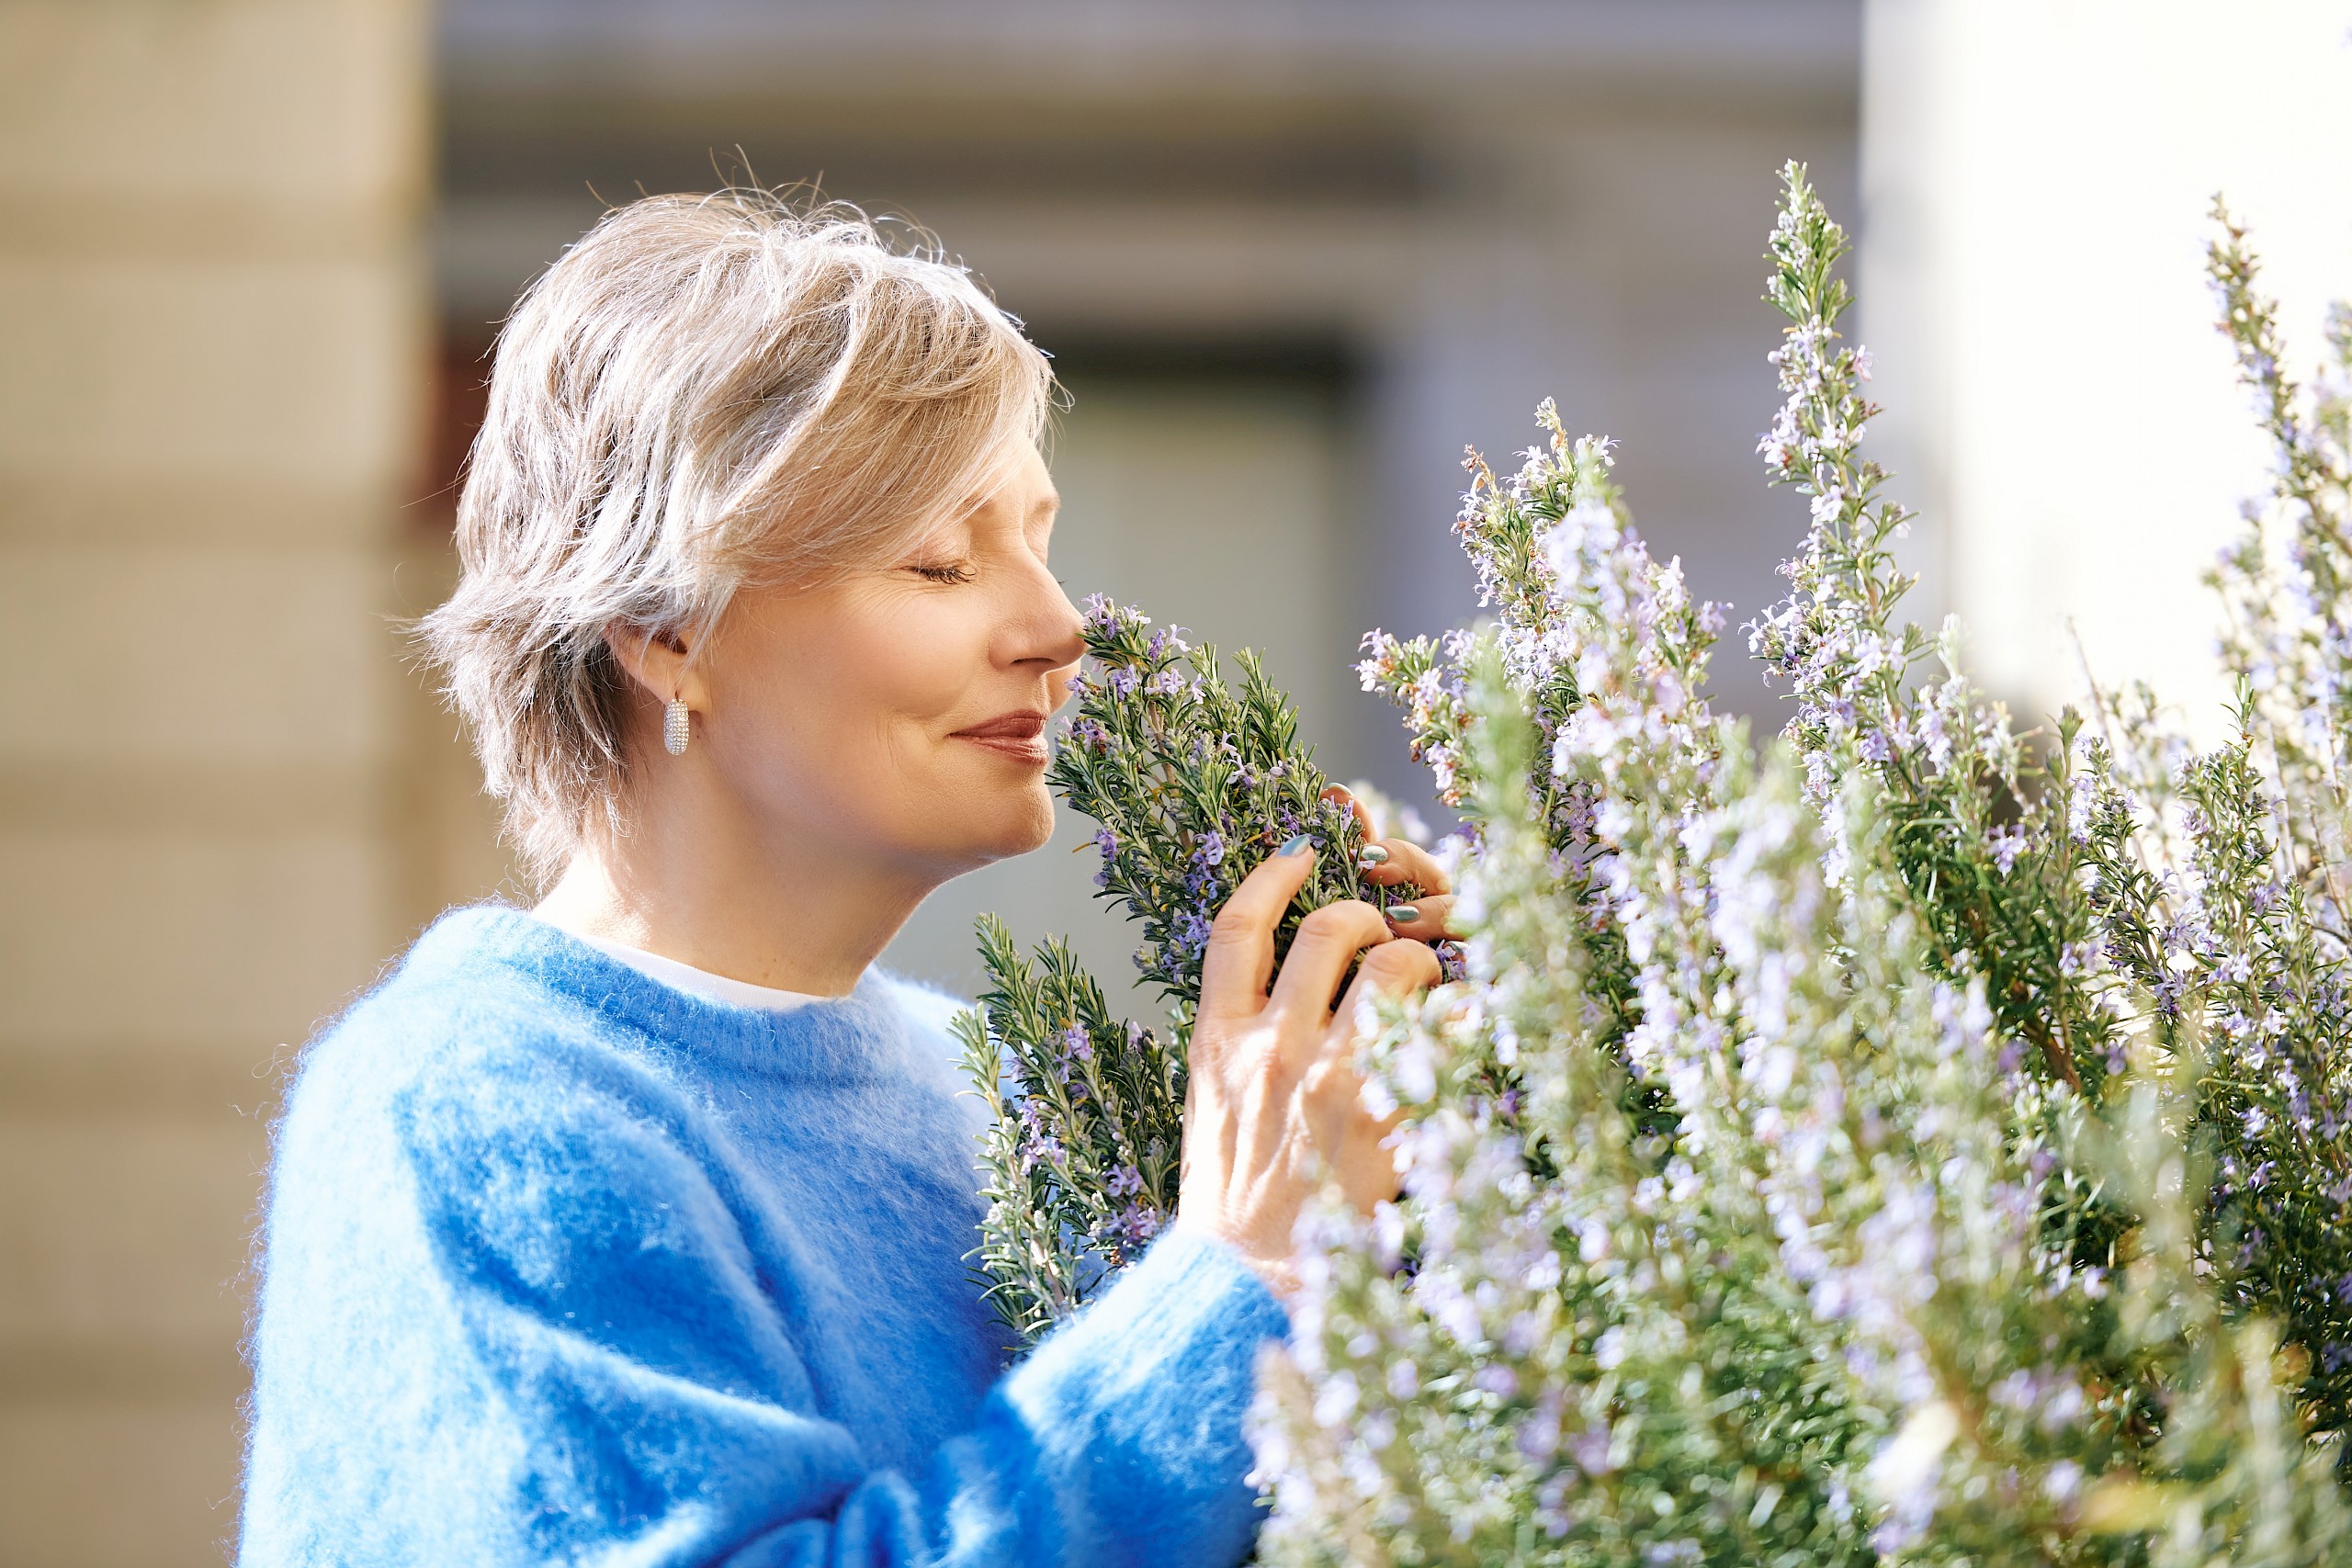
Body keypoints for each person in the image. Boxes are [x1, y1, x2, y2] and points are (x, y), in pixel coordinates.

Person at [236, 189, 1454, 1567]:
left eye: (1038, 541)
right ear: (662, 628)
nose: (1059, 627)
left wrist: (1428, 1145)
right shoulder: (473, 1112)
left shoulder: (991, 1086)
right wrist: (1241, 1273)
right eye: (938, 560)